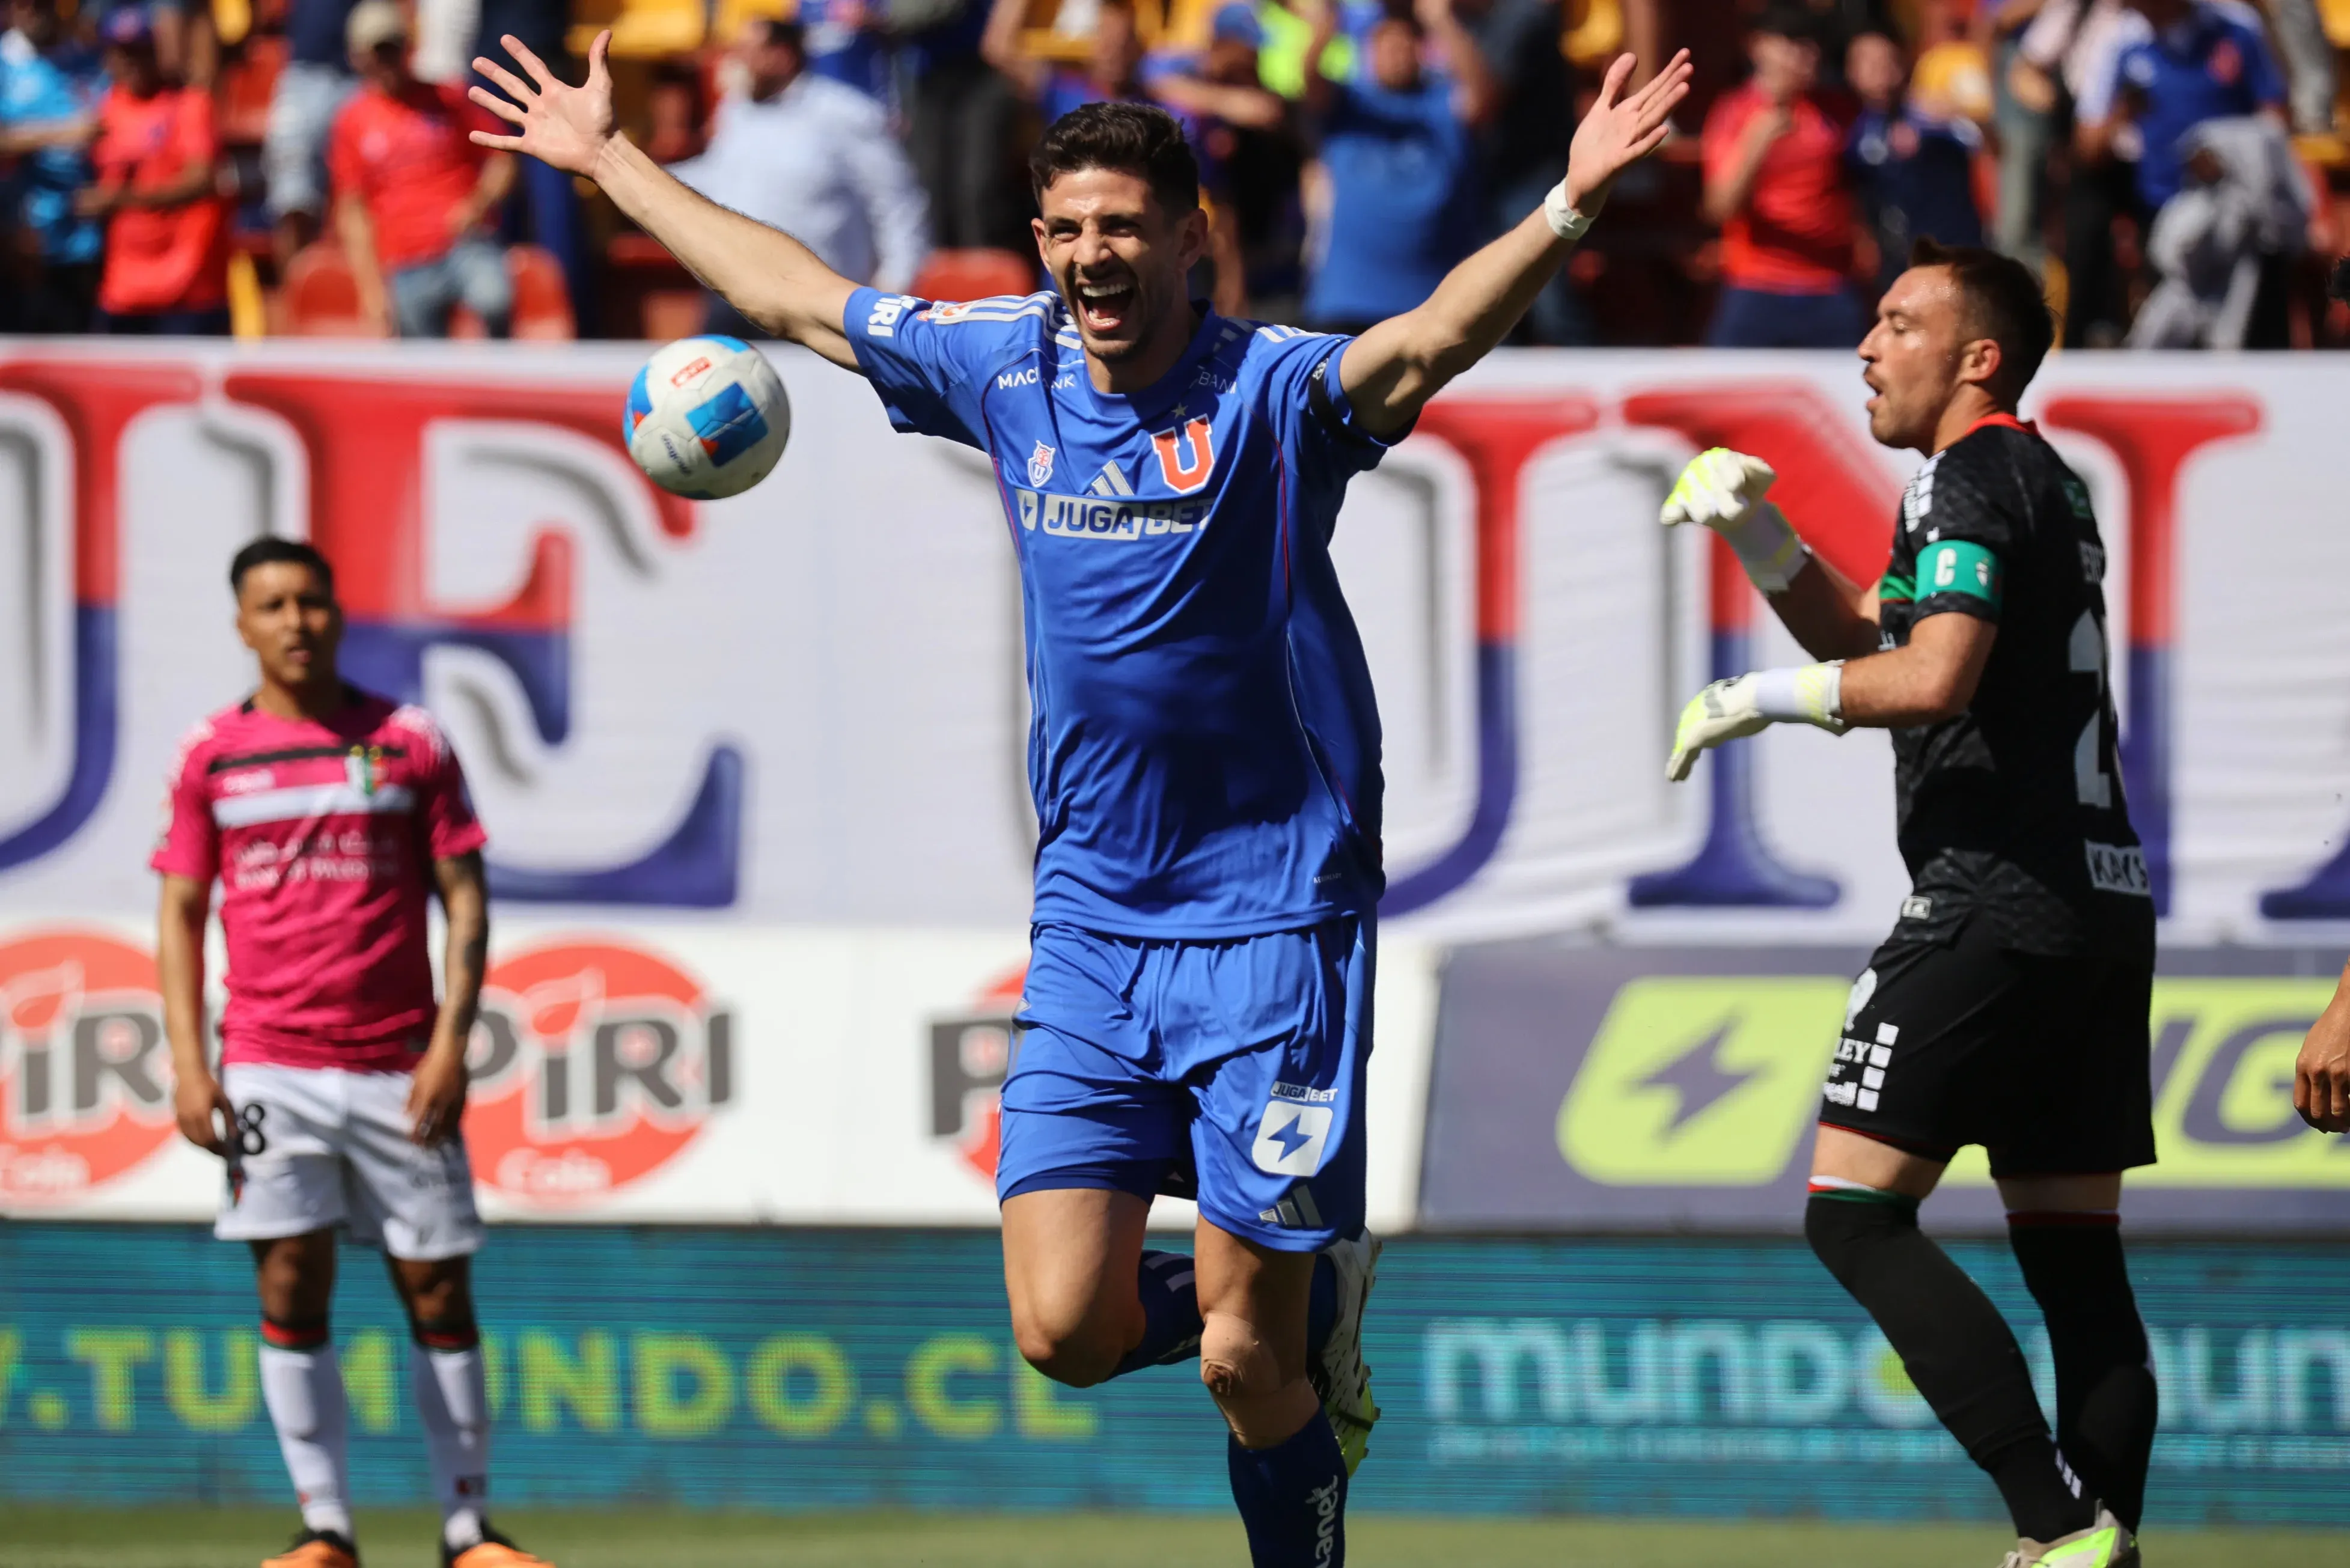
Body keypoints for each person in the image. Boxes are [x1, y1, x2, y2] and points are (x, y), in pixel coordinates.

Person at [467, 26, 1687, 1564]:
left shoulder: (1270, 395)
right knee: (1062, 1327)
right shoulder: (1005, 364)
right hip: (1094, 924)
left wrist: (1567, 204)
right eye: (1065, 229)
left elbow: (1428, 339)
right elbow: (790, 296)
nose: (1090, 255)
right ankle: (1305, 1289)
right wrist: (607, 160)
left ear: (1190, 239)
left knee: (1245, 1362)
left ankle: (1292, 1334)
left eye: (1121, 226)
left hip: (1274, 923)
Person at [1659, 241, 2155, 1568]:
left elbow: (1929, 677)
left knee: (1852, 1209)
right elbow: (1869, 632)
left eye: (1896, 321)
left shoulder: (1966, 471)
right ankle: (2097, 1547)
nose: (1866, 345)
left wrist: (1752, 697)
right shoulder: (2040, 477)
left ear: (1977, 358)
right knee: (2075, 1261)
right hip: (2101, 904)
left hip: (1992, 896)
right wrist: (1756, 531)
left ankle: (2053, 1520)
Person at [156, 538, 552, 1568]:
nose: (296, 621)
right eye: (273, 604)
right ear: (243, 623)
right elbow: (182, 910)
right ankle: (324, 1527)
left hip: (398, 1065)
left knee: (438, 1288)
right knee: (290, 1282)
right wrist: (191, 1065)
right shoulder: (211, 754)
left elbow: (465, 896)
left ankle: (467, 1531)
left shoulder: (409, 739)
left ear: (337, 612)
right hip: (268, 1063)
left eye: (312, 601)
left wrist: (452, 1041)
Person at [667, 15, 932, 332]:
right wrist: (640, 174)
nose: (739, 62)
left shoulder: (844, 114)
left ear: (783, 56)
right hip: (733, 293)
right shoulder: (736, 110)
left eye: (750, 51)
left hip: (817, 303)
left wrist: (896, 283)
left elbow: (896, 200)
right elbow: (717, 175)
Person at [1300, 0, 1494, 334]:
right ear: (1369, 53)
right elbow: (1310, 78)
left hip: (1434, 300)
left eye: (1406, 45)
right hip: (1349, 299)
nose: (1397, 54)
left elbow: (1482, 98)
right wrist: (1328, 24)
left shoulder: (1440, 103)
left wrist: (1441, 20)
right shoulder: (1349, 105)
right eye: (1387, 46)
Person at [328, 0, 515, 338]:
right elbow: (353, 209)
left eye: (392, 49)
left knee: (494, 299)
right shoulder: (352, 121)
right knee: (421, 349)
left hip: (465, 244)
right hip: (405, 262)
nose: (387, 61)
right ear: (358, 58)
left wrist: (478, 204)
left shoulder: (448, 98)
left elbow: (503, 159)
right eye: (377, 53)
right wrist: (372, 290)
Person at [1700, 3, 1865, 347]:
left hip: (1830, 284)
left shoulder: (1840, 111)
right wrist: (1758, 141)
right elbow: (1719, 208)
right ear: (1759, 46)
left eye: (1813, 44)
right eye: (1793, 42)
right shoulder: (1735, 111)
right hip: (1756, 284)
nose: (1807, 56)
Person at [78, 5, 230, 334]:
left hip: (187, 287)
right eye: (123, 53)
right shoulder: (106, 110)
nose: (133, 62)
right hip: (123, 289)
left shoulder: (189, 104)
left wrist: (123, 200)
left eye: (141, 51)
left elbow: (201, 179)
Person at [1846, 29, 1985, 300]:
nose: (1882, 72)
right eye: (1869, 63)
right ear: (1852, 72)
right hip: (1895, 259)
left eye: (1889, 61)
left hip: (1952, 253)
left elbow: (1990, 146)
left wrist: (1957, 116)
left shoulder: (1933, 114)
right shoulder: (1855, 130)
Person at [0, 0, 105, 332]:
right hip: (23, 239)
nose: (32, 10)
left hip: (86, 238)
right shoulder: (5, 65)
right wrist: (62, 134)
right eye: (23, 3)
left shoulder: (86, 59)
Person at [261, 0, 361, 264]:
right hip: (304, 71)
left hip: (363, 70)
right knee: (291, 193)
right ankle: (294, 284)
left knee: (365, 187)